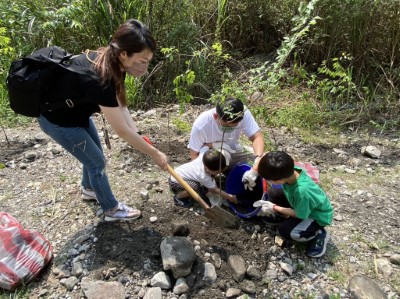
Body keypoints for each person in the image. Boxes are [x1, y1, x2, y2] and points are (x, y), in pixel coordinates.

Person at [38, 19, 168, 221]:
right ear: (125, 54)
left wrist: (139, 136)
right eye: (143, 60)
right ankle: (111, 209)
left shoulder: (113, 60)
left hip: (76, 115)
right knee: (96, 162)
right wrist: (154, 153)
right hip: (58, 122)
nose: (146, 66)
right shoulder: (101, 77)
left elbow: (121, 106)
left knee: (93, 154)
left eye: (148, 61)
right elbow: (121, 131)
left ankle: (89, 189)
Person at [253, 151, 333, 258]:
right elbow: (266, 157)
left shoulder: (302, 192)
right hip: (301, 204)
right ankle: (284, 218)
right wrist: (253, 171)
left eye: (268, 179)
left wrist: (274, 207)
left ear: (280, 180)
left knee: (286, 231)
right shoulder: (289, 168)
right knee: (273, 193)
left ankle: (318, 234)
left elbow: (300, 214)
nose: (266, 181)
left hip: (316, 216)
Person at [187, 97, 264, 190]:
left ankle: (231, 172)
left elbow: (256, 137)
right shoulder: (201, 125)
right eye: (226, 125)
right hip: (212, 158)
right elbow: (194, 154)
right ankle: (220, 176)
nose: (230, 128)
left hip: (233, 149)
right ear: (216, 116)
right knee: (224, 154)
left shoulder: (241, 113)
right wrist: (208, 178)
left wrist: (257, 162)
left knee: (265, 160)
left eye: (235, 126)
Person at [169, 146, 237, 207]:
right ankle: (178, 197)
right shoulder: (203, 176)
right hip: (176, 180)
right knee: (195, 187)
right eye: (218, 171)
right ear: (208, 169)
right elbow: (214, 190)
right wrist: (230, 197)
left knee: (200, 184)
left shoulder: (204, 155)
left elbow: (205, 146)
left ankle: (197, 189)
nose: (219, 173)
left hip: (177, 172)